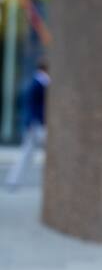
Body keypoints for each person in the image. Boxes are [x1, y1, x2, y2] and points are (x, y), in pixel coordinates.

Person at [4, 59, 50, 190]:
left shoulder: (39, 83)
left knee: (27, 152)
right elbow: (31, 105)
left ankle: (13, 180)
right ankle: (13, 180)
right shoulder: (38, 83)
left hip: (37, 124)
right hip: (37, 125)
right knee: (28, 152)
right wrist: (31, 122)